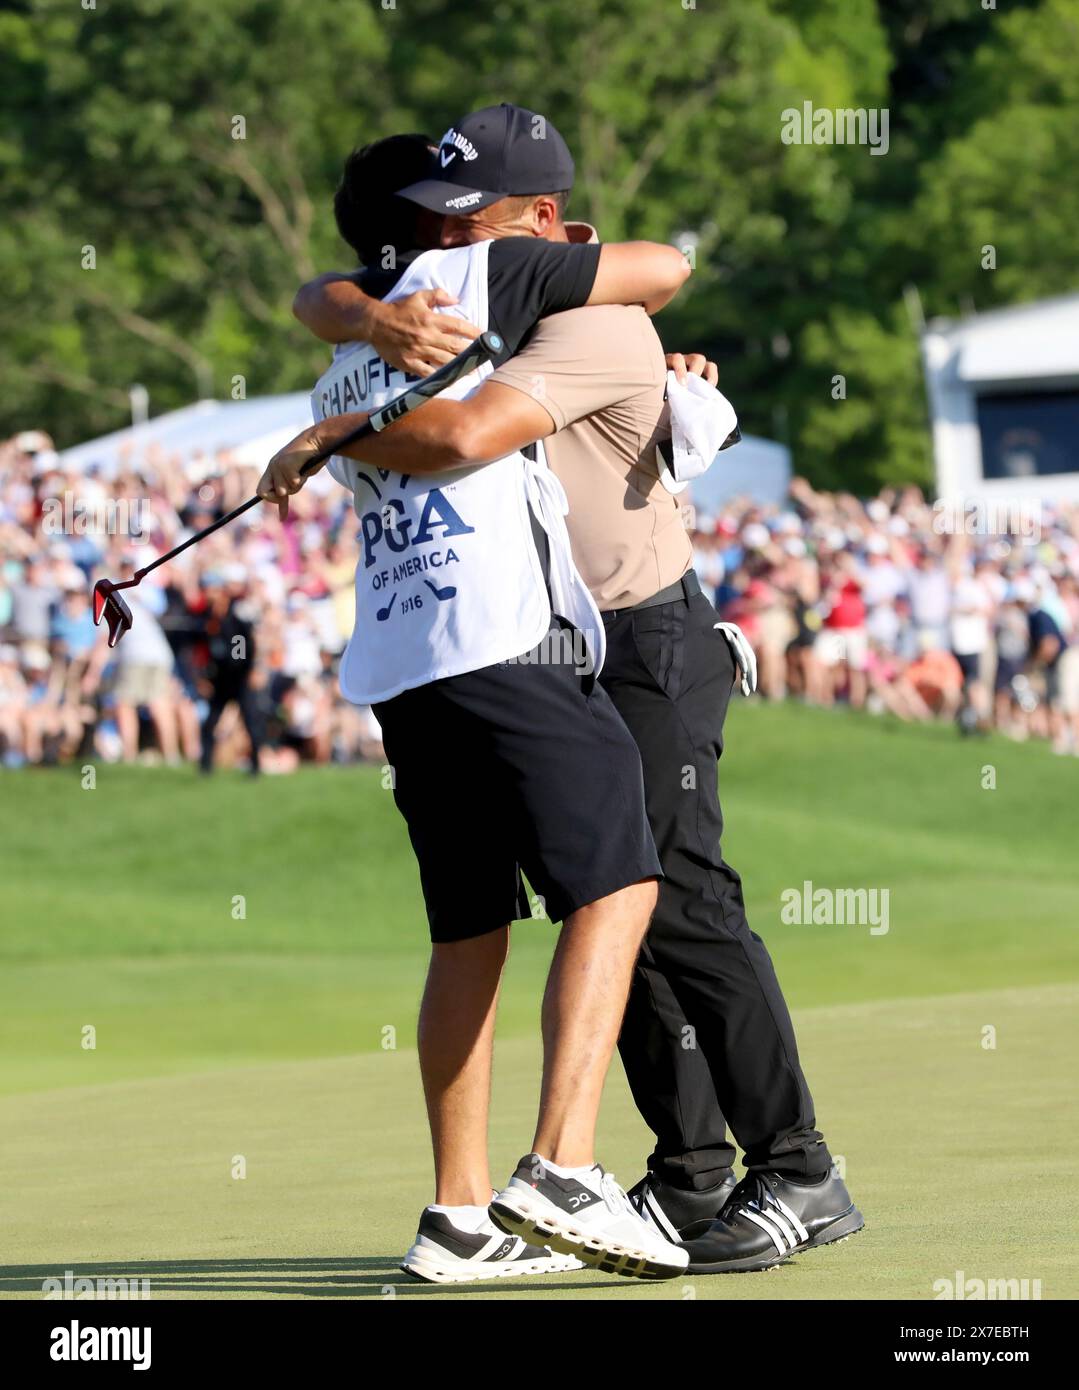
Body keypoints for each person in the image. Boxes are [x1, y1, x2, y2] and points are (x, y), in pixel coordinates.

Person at [273, 104, 862, 1276]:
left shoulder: (576, 314)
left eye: (469, 220)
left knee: (672, 898)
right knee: (606, 906)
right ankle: (686, 1170)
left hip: (639, 635)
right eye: (429, 224)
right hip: (549, 647)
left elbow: (470, 430)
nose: (444, 245)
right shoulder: (441, 309)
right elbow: (322, 292)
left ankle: (794, 1167)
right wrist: (362, 318)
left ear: (538, 225)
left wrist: (334, 426)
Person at [261, 117, 698, 1282]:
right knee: (619, 879)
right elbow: (667, 265)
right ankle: (561, 1163)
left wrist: (336, 410)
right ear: (445, 223)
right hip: (505, 644)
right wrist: (564, 256)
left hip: (403, 670)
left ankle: (456, 1218)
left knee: (468, 929)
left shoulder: (342, 347)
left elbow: (317, 297)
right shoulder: (481, 265)